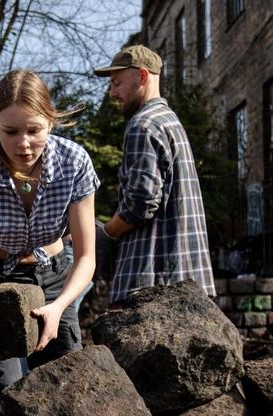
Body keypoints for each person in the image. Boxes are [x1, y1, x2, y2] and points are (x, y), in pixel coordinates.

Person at [0, 69, 97, 393]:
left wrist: (59, 307)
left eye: (34, 130)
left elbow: (86, 257)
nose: (23, 144)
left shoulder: (74, 163)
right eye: (10, 131)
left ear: (50, 121)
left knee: (63, 385)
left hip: (55, 278)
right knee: (6, 386)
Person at [92, 45, 215, 305]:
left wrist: (105, 233)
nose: (112, 93)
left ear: (143, 76)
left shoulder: (142, 125)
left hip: (150, 282)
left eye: (116, 83)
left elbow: (139, 205)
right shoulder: (170, 121)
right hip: (185, 279)